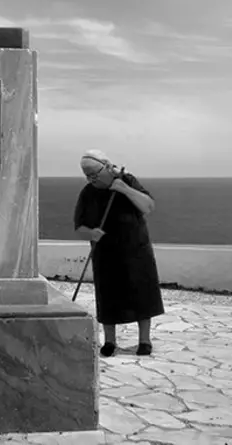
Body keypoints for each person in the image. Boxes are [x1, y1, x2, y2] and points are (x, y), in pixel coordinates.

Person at [73, 148, 164, 357]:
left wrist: (124, 189)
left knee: (142, 294)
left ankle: (144, 341)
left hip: (136, 249)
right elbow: (79, 226)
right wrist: (91, 233)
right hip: (105, 252)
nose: (92, 179)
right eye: (88, 176)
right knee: (108, 296)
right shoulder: (88, 193)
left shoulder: (127, 180)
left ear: (107, 167)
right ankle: (110, 341)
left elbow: (148, 206)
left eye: (95, 174)